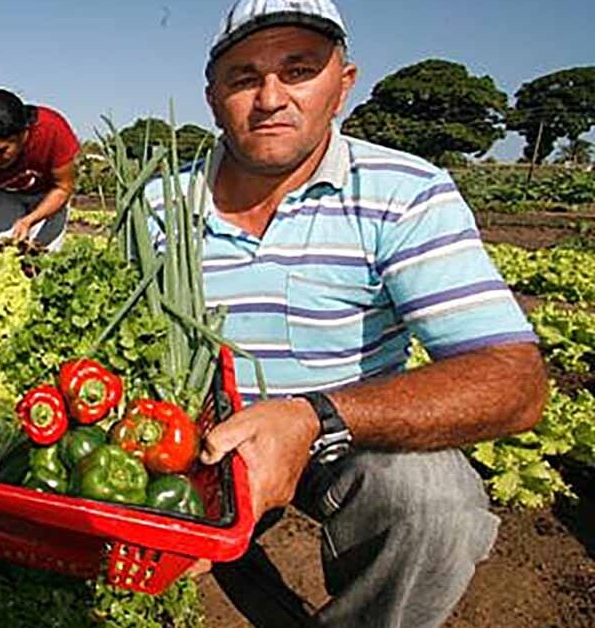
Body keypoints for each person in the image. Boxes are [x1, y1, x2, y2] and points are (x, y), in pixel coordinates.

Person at [144, 1, 547, 626]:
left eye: (298, 70)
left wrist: (313, 418)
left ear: (343, 85)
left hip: (342, 439)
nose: (271, 97)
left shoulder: (405, 193)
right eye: (245, 77)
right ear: (212, 95)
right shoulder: (157, 205)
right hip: (191, 437)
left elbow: (514, 381)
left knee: (436, 506)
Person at [0, 88, 79, 252]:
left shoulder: (52, 130)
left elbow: (63, 188)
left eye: (0, 151)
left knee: (44, 257)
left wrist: (29, 220)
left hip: (49, 194)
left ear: (23, 133)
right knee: (6, 248)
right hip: (4, 194)